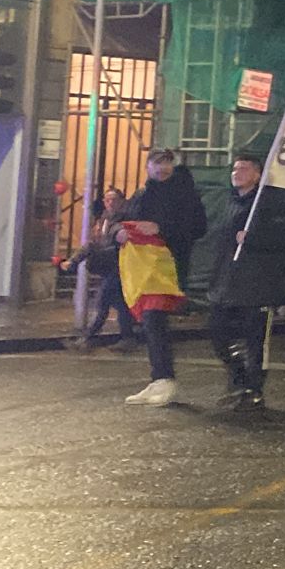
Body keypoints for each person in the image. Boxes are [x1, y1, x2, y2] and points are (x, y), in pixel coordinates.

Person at [206, 155, 285, 411]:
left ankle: (254, 389)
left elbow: (284, 239)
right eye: (235, 168)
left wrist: (253, 238)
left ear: (258, 175)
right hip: (227, 284)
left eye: (244, 168)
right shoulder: (230, 203)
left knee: (256, 341)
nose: (237, 172)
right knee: (217, 332)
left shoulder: (269, 204)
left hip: (258, 285)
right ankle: (238, 375)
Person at [120, 149, 206, 406]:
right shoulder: (142, 194)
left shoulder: (185, 194)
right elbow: (122, 220)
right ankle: (159, 377)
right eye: (157, 163)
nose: (162, 168)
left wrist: (161, 228)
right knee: (150, 322)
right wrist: (118, 233)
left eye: (167, 163)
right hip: (141, 268)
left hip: (168, 266)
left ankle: (165, 378)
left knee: (154, 319)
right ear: (147, 167)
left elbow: (198, 228)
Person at [72, 187, 136, 347]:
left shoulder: (126, 220)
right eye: (107, 200)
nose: (111, 203)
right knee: (120, 304)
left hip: (119, 268)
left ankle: (89, 336)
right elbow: (94, 242)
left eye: (114, 200)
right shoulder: (104, 219)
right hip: (109, 269)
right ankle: (127, 337)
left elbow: (117, 241)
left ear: (122, 201)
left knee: (102, 301)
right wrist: (75, 259)